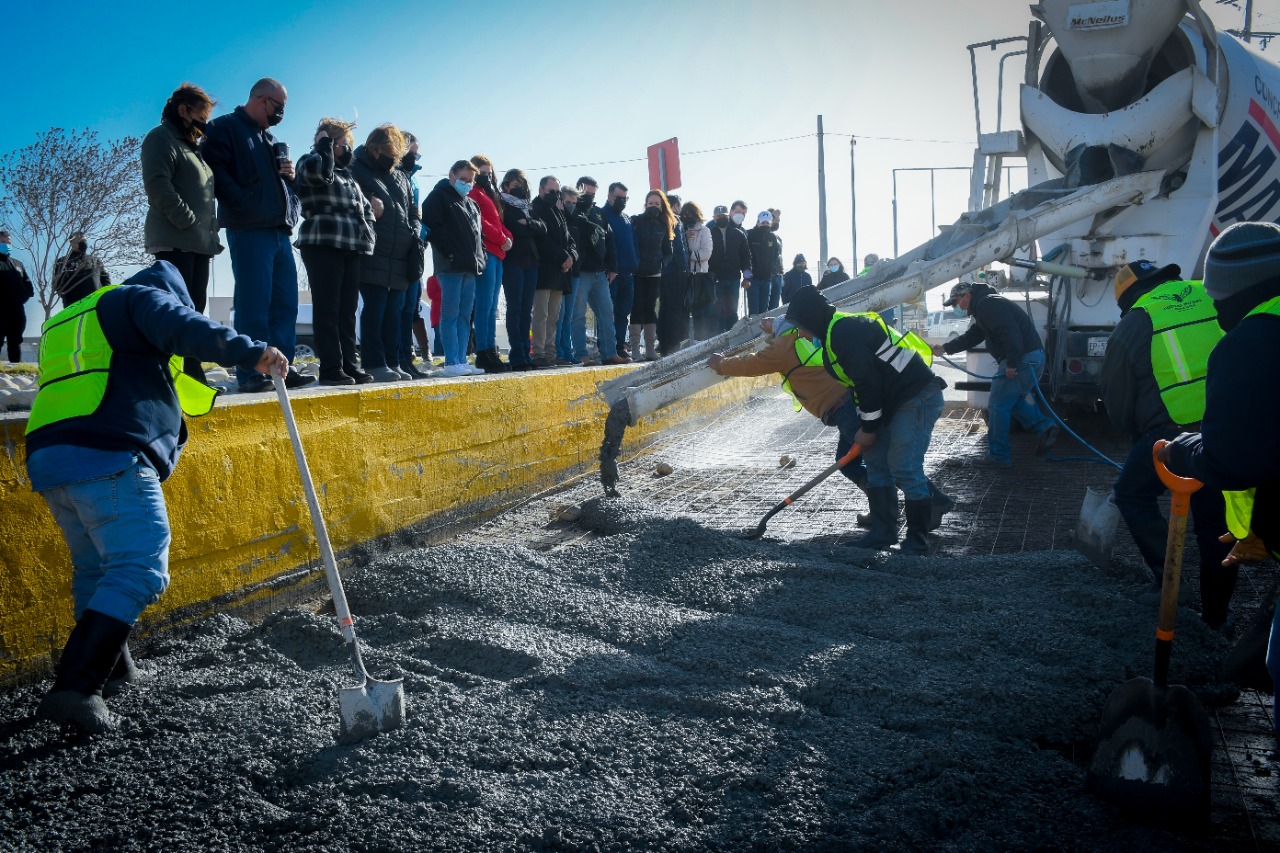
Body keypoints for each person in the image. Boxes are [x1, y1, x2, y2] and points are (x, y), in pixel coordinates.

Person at [24, 261, 288, 733]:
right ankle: (75, 689)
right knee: (140, 566)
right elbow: (187, 328)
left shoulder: (67, 320)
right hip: (107, 450)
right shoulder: (138, 300)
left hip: (50, 457)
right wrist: (253, 352)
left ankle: (114, 672)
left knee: (97, 569)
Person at [1160, 221, 1280, 736]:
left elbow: (1232, 461)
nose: (1214, 307)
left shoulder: (1254, 340)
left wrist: (1181, 449)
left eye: (1217, 295)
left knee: (1271, 665)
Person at [707, 315, 953, 531]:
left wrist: (720, 365)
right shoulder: (799, 339)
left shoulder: (784, 346)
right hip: (845, 405)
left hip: (844, 407)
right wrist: (774, 328)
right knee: (851, 463)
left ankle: (925, 504)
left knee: (880, 461)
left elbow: (751, 363)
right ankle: (884, 514)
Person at [1099, 259, 1233, 624]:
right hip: (1229, 429)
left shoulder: (1136, 321)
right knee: (1218, 528)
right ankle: (1217, 618)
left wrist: (1133, 431)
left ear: (1127, 298)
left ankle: (1171, 582)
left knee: (1131, 493)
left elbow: (1117, 399)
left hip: (1172, 436)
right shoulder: (1210, 294)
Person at [785, 284, 945, 554]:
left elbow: (867, 381)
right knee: (875, 462)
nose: (801, 333)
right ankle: (883, 532)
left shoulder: (843, 332)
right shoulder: (831, 338)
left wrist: (869, 428)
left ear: (811, 318)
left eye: (801, 325)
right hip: (891, 400)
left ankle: (917, 539)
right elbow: (859, 388)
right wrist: (866, 423)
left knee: (903, 465)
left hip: (916, 396)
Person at [202, 77, 312, 392]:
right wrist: (244, 204)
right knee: (254, 302)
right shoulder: (225, 129)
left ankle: (282, 369)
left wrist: (290, 180)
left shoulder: (270, 139)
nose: (281, 113)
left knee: (285, 304)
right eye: (279, 107)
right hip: (249, 230)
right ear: (262, 99)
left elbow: (280, 188)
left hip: (279, 232)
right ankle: (252, 371)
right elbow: (216, 172)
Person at [141, 83, 222, 382]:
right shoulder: (160, 138)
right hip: (176, 239)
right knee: (176, 309)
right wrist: (188, 222)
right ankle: (168, 371)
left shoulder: (194, 147)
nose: (204, 121)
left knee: (195, 308)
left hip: (200, 243)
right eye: (201, 113)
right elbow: (158, 186)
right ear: (183, 110)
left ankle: (191, 370)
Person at [933, 277, 1058, 467]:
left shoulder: (987, 305)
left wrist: (1012, 364)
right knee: (1011, 401)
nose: (956, 307)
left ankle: (998, 456)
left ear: (966, 296)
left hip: (1022, 359)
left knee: (998, 405)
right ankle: (1045, 426)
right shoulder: (986, 306)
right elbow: (972, 336)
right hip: (1032, 357)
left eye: (956, 302)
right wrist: (945, 348)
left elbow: (1010, 333)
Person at [294, 117, 377, 386]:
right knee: (327, 308)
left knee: (347, 310)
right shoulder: (310, 161)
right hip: (322, 242)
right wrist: (324, 147)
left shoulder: (349, 176)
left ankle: (349, 365)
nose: (344, 147)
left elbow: (365, 209)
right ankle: (330, 368)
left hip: (351, 245)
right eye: (338, 142)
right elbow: (320, 174)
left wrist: (369, 233)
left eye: (345, 143)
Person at [349, 124, 418, 382]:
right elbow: (351, 194)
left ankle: (392, 360)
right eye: (389, 153)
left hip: (400, 254)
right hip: (373, 251)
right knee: (375, 308)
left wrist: (414, 232)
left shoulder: (400, 175)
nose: (393, 159)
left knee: (395, 312)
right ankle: (374, 362)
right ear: (374, 149)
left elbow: (412, 208)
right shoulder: (356, 166)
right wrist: (368, 200)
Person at [423, 159, 486, 377]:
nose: (467, 183)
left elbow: (479, 237)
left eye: (470, 181)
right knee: (449, 314)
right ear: (451, 175)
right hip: (449, 267)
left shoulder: (471, 204)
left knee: (464, 316)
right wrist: (449, 252)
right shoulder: (438, 197)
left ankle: (461, 359)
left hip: (470, 268)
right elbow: (433, 227)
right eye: (463, 179)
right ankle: (451, 362)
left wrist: (481, 258)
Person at [568, 177, 624, 366]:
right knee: (578, 315)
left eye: (593, 194)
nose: (590, 197)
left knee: (607, 312)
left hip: (600, 273)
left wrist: (613, 267)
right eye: (586, 193)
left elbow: (610, 240)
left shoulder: (600, 213)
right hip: (580, 273)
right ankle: (580, 355)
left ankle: (610, 353)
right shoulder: (572, 211)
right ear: (578, 191)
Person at [469, 154, 513, 373]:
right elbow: (480, 222)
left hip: (498, 254)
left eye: (488, 173)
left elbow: (498, 222)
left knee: (492, 306)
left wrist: (508, 237)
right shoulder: (473, 192)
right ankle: (483, 352)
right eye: (482, 173)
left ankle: (490, 349)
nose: (486, 177)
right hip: (486, 251)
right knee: (484, 305)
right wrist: (501, 238)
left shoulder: (490, 195)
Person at [499, 169, 545, 371]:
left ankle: (526, 353)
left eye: (522, 184)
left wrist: (527, 223)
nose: (519, 188)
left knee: (527, 310)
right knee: (515, 308)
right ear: (507, 185)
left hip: (532, 262)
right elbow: (513, 228)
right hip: (513, 261)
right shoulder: (503, 204)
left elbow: (542, 228)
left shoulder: (529, 207)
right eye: (515, 184)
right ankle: (517, 353)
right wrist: (528, 227)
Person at [529, 176, 577, 368]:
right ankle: (538, 354)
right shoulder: (535, 209)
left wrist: (571, 256)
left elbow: (570, 239)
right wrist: (563, 257)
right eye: (551, 191)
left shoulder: (558, 211)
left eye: (557, 192)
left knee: (554, 316)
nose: (555, 195)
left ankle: (551, 354)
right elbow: (542, 240)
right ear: (541, 190)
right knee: (541, 315)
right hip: (544, 271)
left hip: (560, 273)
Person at [396, 133, 429, 379]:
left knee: (410, 307)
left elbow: (416, 214)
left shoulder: (414, 180)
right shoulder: (392, 175)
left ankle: (407, 359)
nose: (414, 157)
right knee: (395, 307)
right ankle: (396, 357)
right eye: (411, 152)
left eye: (416, 153)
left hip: (413, 248)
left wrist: (421, 236)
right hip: (394, 247)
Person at [629, 190, 673, 361]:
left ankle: (649, 349)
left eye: (657, 204)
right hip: (636, 273)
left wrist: (662, 263)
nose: (653, 206)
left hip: (654, 274)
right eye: (650, 203)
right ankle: (634, 349)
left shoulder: (664, 225)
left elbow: (669, 251)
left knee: (649, 309)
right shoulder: (635, 221)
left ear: (661, 206)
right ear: (645, 204)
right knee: (636, 308)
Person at [604, 182, 637, 359]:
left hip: (628, 275)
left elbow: (634, 244)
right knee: (609, 312)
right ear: (610, 197)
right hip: (611, 275)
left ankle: (619, 346)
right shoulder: (602, 215)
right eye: (619, 198)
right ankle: (607, 347)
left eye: (625, 198)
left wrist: (635, 263)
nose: (622, 201)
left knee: (623, 313)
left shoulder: (626, 218)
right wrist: (610, 267)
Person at [707, 204, 752, 333]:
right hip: (715, 279)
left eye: (724, 216)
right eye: (719, 216)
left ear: (729, 216)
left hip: (733, 278)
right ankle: (719, 341)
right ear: (714, 218)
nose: (722, 218)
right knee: (717, 312)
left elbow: (746, 258)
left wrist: (747, 277)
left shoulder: (739, 234)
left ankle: (732, 337)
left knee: (732, 311)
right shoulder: (708, 234)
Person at [656, 193, 691, 356]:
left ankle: (663, 344)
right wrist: (685, 269)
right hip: (676, 271)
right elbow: (679, 247)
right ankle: (673, 346)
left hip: (661, 271)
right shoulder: (675, 221)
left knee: (664, 308)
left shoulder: (658, 220)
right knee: (675, 310)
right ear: (675, 206)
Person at [555, 186, 583, 365]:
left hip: (575, 273)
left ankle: (567, 351)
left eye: (574, 203)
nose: (571, 206)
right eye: (567, 203)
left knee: (568, 315)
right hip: (560, 271)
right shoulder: (557, 218)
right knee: (559, 313)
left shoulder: (579, 221)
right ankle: (557, 351)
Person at [682, 202, 715, 341]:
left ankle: (700, 343)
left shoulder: (704, 231)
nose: (687, 216)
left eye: (690, 213)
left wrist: (687, 254)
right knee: (682, 313)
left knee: (701, 314)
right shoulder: (679, 230)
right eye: (685, 214)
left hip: (700, 277)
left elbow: (706, 253)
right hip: (683, 277)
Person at [0, 231, 34, 363]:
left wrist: (24, 296)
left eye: (8, 242)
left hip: (17, 310)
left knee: (15, 341)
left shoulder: (17, 264)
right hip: (0, 311)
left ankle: (15, 368)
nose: (6, 244)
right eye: (3, 242)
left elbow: (28, 285)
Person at [53, 232, 110, 308]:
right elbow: (57, 284)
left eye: (84, 241)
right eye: (80, 241)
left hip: (96, 304)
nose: (83, 243)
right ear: (72, 243)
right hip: (74, 307)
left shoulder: (95, 260)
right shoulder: (63, 261)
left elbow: (106, 280)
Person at [746, 211, 781, 316]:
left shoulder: (773, 237)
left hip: (767, 279)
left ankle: (763, 333)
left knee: (764, 312)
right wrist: (747, 276)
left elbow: (775, 256)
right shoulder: (749, 234)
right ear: (758, 222)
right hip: (753, 280)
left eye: (767, 223)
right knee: (754, 312)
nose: (765, 225)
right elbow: (745, 256)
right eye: (763, 222)